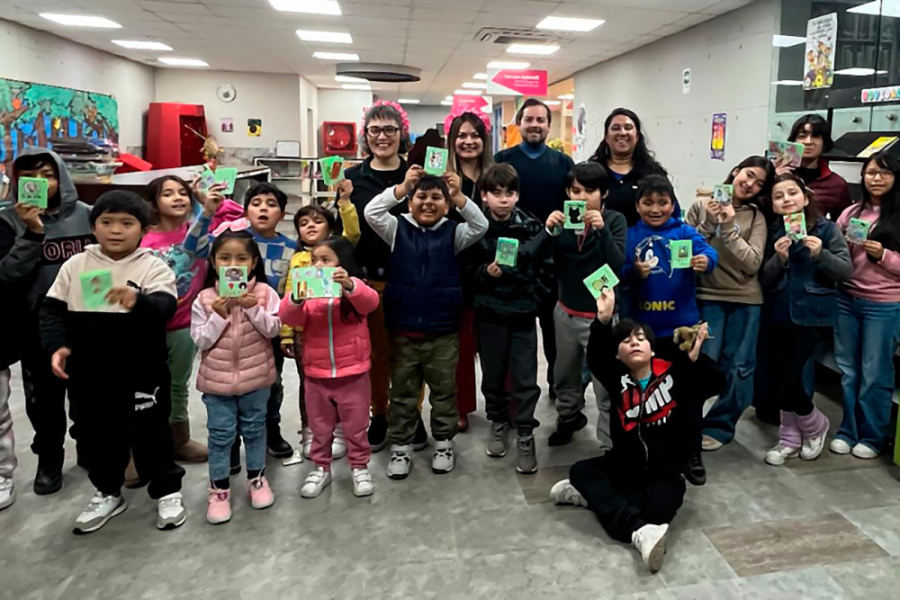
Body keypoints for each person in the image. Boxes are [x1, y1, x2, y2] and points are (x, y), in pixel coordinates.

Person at [40, 191, 186, 534]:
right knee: (96, 435)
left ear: (143, 229)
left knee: (152, 433)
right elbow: (51, 311)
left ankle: (167, 490)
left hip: (142, 372)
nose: (115, 230)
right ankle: (107, 491)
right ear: (94, 227)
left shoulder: (152, 266)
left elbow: (165, 307)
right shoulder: (75, 265)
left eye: (126, 223)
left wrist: (138, 300)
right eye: (106, 222)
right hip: (89, 373)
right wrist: (57, 346)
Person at [551, 289, 723, 573]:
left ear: (652, 349)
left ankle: (595, 499)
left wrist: (695, 361)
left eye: (640, 339)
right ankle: (639, 531)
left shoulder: (674, 372)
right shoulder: (617, 378)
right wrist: (602, 320)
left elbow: (716, 384)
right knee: (581, 471)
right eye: (626, 341)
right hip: (623, 466)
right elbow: (596, 358)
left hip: (665, 473)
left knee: (660, 509)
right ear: (617, 355)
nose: (634, 343)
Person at [364, 167, 488, 479]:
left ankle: (444, 443)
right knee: (402, 393)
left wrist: (459, 196)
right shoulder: (396, 229)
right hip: (402, 328)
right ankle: (401, 446)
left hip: (442, 330)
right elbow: (371, 212)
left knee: (444, 390)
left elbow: (480, 225)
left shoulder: (455, 233)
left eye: (437, 198)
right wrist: (401, 187)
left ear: (447, 206)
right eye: (421, 196)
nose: (429, 202)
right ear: (409, 202)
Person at [0, 147, 93, 496]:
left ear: (61, 178)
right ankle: (49, 457)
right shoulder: (7, 221)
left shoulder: (88, 215)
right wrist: (32, 231)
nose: (39, 183)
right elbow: (7, 275)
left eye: (47, 175)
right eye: (29, 176)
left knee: (88, 393)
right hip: (35, 324)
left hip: (85, 318)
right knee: (44, 401)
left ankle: (88, 446)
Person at [184, 182, 296, 466]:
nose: (263, 209)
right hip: (225, 324)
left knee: (270, 384)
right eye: (256, 203)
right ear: (245, 211)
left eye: (271, 204)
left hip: (265, 323)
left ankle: (270, 431)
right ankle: (230, 441)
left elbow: (291, 290)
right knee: (226, 389)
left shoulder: (290, 247)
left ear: (283, 214)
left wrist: (285, 330)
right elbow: (193, 247)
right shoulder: (229, 237)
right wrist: (207, 213)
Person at [141, 175, 244, 464]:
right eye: (167, 194)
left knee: (177, 384)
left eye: (182, 193)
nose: (177, 198)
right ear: (153, 204)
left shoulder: (201, 232)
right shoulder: (143, 238)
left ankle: (178, 439)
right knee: (143, 385)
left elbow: (239, 218)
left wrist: (203, 200)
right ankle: (140, 445)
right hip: (146, 323)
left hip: (184, 323)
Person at [684, 157, 773, 478]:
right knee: (702, 363)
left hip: (745, 299)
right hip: (706, 295)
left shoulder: (756, 217)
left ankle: (720, 425)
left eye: (759, 183)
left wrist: (729, 227)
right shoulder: (700, 204)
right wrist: (710, 223)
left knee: (740, 366)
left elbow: (752, 262)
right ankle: (690, 423)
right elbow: (684, 248)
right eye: (748, 175)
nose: (750, 184)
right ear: (736, 172)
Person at [759, 174, 851, 466]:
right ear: (773, 204)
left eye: (792, 193)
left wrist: (820, 253)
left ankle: (814, 425)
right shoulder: (774, 231)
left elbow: (845, 271)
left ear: (806, 197)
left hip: (812, 315)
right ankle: (789, 438)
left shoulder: (827, 229)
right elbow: (764, 278)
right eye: (779, 196)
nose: (786, 199)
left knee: (790, 376)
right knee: (779, 377)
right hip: (778, 313)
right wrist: (779, 259)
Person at [345, 101, 422, 453]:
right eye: (374, 130)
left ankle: (412, 413)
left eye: (390, 129)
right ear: (365, 135)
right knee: (376, 354)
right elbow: (345, 230)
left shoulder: (417, 175)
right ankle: (381, 413)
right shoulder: (352, 178)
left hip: (411, 277)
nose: (382, 136)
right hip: (369, 279)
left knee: (411, 353)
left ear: (401, 134)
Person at [190, 230, 281, 524]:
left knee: (255, 430)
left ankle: (257, 479)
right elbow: (200, 340)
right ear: (214, 263)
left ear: (253, 263)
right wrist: (218, 315)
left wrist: (253, 308)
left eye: (241, 258)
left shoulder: (264, 293)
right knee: (220, 436)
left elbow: (274, 329)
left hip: (256, 379)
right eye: (225, 258)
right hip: (217, 384)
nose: (233, 264)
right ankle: (219, 490)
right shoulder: (205, 298)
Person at [280, 237, 380, 498]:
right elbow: (288, 316)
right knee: (319, 427)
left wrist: (349, 285)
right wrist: (296, 298)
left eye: (325, 260)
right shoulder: (308, 294)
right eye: (314, 260)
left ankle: (359, 466)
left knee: (356, 426)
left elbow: (371, 303)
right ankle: (320, 468)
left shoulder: (354, 288)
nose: (317, 265)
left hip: (353, 372)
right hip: (317, 373)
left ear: (342, 264)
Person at [467, 163, 546, 473]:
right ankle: (498, 422)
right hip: (489, 314)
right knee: (493, 375)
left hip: (523, 315)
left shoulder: (532, 226)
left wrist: (535, 299)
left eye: (509, 193)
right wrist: (484, 273)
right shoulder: (476, 228)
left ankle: (525, 432)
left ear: (517, 195)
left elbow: (546, 267)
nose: (503, 199)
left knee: (525, 377)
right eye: (496, 193)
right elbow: (464, 270)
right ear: (483, 196)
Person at [495, 98, 574, 401]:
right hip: (515, 257)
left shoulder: (563, 163)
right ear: (519, 124)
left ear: (548, 125)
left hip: (553, 260)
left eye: (541, 120)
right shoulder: (503, 159)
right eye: (529, 119)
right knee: (516, 333)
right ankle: (514, 393)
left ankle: (557, 384)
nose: (535, 125)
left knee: (554, 331)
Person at [544, 162, 627, 447]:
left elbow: (617, 263)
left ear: (604, 193)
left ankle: (609, 443)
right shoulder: (564, 220)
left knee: (605, 383)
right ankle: (568, 417)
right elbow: (539, 256)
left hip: (601, 317)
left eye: (590, 191)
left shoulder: (614, 220)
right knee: (564, 374)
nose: (582, 197)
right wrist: (549, 230)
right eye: (576, 190)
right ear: (568, 192)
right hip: (566, 311)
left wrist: (602, 231)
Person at [281, 181, 360, 460]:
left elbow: (353, 232)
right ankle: (311, 430)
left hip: (337, 328)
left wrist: (344, 203)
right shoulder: (297, 259)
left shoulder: (339, 251)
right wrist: (287, 333)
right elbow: (289, 296)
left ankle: (339, 430)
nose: (310, 226)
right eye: (303, 223)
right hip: (305, 331)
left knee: (340, 383)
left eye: (317, 221)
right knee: (309, 385)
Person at [832, 152, 900, 459]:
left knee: (875, 373)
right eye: (871, 172)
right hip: (847, 299)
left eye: (885, 173)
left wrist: (883, 255)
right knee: (849, 371)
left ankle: (873, 436)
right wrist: (839, 245)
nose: (877, 178)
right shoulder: (851, 212)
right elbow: (837, 254)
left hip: (884, 305)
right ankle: (848, 431)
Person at [623, 175, 718, 344]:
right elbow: (618, 271)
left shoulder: (684, 232)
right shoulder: (628, 236)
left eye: (663, 203)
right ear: (637, 206)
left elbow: (709, 252)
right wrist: (633, 271)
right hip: (640, 327)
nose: (655, 210)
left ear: (673, 205)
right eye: (648, 203)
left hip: (681, 326)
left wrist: (706, 260)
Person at [445, 108, 494, 430]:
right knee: (461, 347)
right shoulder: (443, 178)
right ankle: (460, 407)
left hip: (492, 268)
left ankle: (502, 407)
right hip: (455, 270)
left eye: (475, 135)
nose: (468, 141)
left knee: (494, 344)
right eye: (461, 135)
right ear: (452, 140)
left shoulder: (495, 176)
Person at [589, 108, 670, 226]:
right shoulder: (592, 172)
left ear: (637, 136)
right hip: (598, 236)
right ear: (606, 136)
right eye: (615, 128)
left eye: (628, 128)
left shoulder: (653, 172)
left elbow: (670, 212)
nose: (622, 133)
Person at [782, 114, 852, 220]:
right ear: (793, 142)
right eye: (802, 136)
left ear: (824, 143)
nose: (808, 142)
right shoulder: (776, 174)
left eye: (815, 136)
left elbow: (843, 223)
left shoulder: (837, 184)